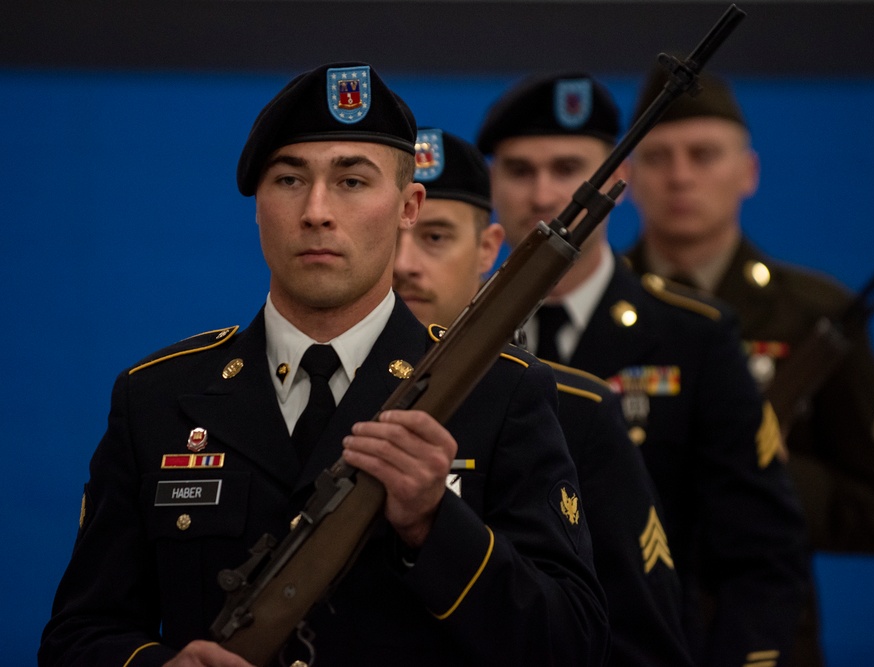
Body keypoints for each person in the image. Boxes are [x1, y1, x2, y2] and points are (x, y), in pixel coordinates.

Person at [39, 62, 610, 667]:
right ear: (256, 206)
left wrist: (435, 525)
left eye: (352, 182)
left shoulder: (499, 392)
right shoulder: (156, 397)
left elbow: (572, 643)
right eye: (288, 180)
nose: (316, 211)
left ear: (409, 206)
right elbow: (77, 637)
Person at [477, 73, 811, 667]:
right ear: (493, 186)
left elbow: (761, 554)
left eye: (567, 168)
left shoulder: (695, 338)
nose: (544, 193)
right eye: (520, 170)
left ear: (616, 182)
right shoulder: (455, 338)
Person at [625, 67, 874, 666]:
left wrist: (765, 468)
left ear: (748, 172)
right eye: (658, 157)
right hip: (625, 632)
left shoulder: (816, 317)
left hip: (769, 637)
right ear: (624, 178)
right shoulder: (596, 304)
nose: (680, 176)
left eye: (703, 155)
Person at [395, 127, 695, 666]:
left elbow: (637, 645)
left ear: (489, 248)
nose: (405, 265)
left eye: (435, 237)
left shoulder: (572, 409)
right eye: (390, 238)